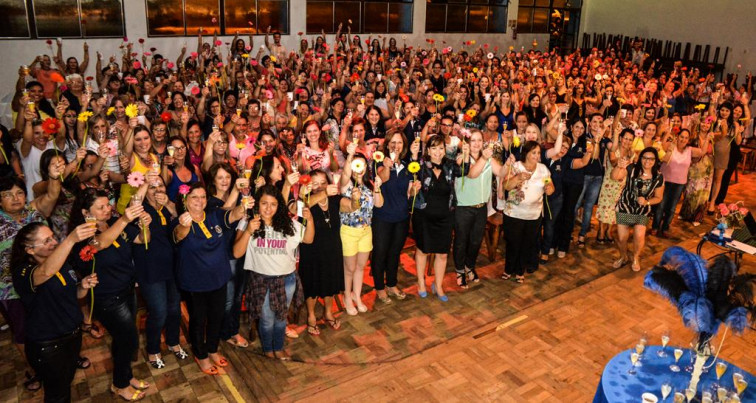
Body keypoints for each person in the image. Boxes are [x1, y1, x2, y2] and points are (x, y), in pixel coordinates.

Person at [69, 187, 152, 401]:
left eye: (108, 204)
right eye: (101, 207)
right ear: (87, 212)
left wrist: (145, 225)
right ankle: (120, 385)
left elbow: (143, 240)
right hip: (107, 297)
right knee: (130, 341)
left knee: (123, 339)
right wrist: (124, 219)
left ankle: (126, 375)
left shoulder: (115, 220)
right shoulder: (83, 233)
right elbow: (100, 243)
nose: (108, 209)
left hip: (127, 289)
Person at [10, 222, 99, 402]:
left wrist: (82, 286)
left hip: (72, 336)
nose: (53, 242)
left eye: (53, 237)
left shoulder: (63, 262)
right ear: (29, 250)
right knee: (56, 394)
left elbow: (73, 295)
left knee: (64, 384)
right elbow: (46, 272)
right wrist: (71, 239)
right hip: (48, 344)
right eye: (46, 240)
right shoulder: (23, 272)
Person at [172, 182, 250, 375]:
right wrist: (185, 225)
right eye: (194, 197)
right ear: (185, 200)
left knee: (217, 317)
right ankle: (201, 355)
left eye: (202, 197)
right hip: (195, 283)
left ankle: (213, 349)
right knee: (198, 320)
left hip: (219, 278)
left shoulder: (214, 215)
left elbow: (234, 214)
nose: (199, 201)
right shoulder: (179, 222)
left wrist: (244, 203)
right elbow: (179, 236)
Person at [0, 161, 63, 393]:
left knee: (53, 321)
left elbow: (53, 194)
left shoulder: (32, 212)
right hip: (11, 289)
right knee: (24, 330)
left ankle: (61, 358)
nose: (15, 198)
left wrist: (54, 176)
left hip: (44, 280)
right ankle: (35, 368)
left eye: (19, 193)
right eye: (8, 195)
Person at [233, 185, 313, 359]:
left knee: (281, 317)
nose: (268, 208)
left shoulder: (288, 223)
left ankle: (278, 346)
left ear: (279, 206)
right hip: (262, 280)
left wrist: (310, 218)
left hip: (287, 279)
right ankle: (268, 349)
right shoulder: (247, 222)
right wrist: (248, 231)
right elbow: (237, 252)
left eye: (273, 204)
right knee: (267, 319)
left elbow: (308, 238)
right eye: (264, 203)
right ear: (257, 204)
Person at [412, 135, 489, 301]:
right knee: (423, 250)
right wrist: (413, 189)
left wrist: (466, 154)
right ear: (428, 150)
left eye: (441, 148)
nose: (438, 152)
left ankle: (438, 286)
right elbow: (410, 185)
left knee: (442, 253)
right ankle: (421, 282)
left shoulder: (449, 165)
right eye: (434, 148)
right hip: (424, 216)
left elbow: (465, 171)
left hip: (445, 217)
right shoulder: (419, 166)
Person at [134, 176, 189, 369]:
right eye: (152, 187)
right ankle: (153, 349)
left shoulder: (168, 206)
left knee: (175, 309)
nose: (157, 191)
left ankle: (173, 342)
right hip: (150, 268)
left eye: (160, 186)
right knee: (159, 311)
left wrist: (170, 203)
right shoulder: (141, 209)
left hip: (172, 266)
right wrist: (146, 182)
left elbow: (182, 218)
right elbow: (134, 201)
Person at [371, 132, 419, 303]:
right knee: (380, 252)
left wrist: (415, 189)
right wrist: (386, 166)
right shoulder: (378, 162)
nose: (396, 146)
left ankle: (391, 284)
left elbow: (409, 192)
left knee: (394, 252)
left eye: (399, 143)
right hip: (382, 216)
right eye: (393, 142)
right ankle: (379, 287)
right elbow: (382, 179)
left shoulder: (408, 165)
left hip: (401, 216)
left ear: (403, 146)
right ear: (387, 144)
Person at [453, 130, 501, 287]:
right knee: (461, 241)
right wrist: (484, 158)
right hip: (463, 207)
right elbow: (471, 174)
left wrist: (508, 164)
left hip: (481, 207)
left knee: (475, 241)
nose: (476, 143)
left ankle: (469, 266)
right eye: (473, 140)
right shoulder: (461, 158)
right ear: (467, 142)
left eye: (479, 140)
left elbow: (500, 172)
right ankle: (460, 270)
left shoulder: (488, 159)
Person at [339, 145, 384, 314]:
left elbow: (379, 204)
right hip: (349, 232)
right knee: (349, 268)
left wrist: (378, 187)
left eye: (363, 165)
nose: (359, 168)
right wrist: (350, 156)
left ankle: (356, 296)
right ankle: (347, 296)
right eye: (356, 165)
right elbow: (344, 175)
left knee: (360, 267)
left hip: (366, 231)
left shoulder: (369, 185)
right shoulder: (346, 185)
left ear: (366, 167)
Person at [501, 141, 554, 283]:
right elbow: (506, 186)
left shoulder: (543, 169)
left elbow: (549, 184)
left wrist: (549, 188)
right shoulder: (516, 167)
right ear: (526, 153)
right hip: (514, 214)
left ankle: (520, 271)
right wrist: (518, 177)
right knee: (513, 243)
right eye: (533, 153)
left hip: (533, 215)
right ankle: (508, 269)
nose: (537, 156)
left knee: (527, 243)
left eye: (538, 153)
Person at [299, 170, 344, 334]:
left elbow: (352, 206)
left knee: (330, 279)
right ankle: (311, 316)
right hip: (311, 248)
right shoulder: (304, 199)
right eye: (315, 183)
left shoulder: (334, 199)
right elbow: (304, 206)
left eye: (323, 182)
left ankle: (328, 312)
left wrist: (355, 198)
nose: (319, 186)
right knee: (312, 281)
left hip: (332, 245)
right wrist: (324, 192)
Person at [611, 147, 665, 272]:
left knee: (639, 235)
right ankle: (623, 256)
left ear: (655, 160)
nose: (647, 161)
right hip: (625, 206)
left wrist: (647, 202)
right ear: (641, 159)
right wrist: (619, 167)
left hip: (642, 209)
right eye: (645, 158)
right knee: (622, 237)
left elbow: (658, 198)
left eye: (651, 159)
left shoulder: (659, 177)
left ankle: (635, 257)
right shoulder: (632, 169)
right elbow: (614, 177)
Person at [651, 129, 703, 237]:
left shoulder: (689, 150)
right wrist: (667, 134)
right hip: (665, 181)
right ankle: (655, 227)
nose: (683, 139)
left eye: (686, 137)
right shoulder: (670, 146)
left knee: (672, 208)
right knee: (661, 205)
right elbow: (661, 147)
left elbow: (702, 152)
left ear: (688, 139)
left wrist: (704, 138)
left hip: (679, 183)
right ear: (677, 136)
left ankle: (665, 228)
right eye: (681, 136)